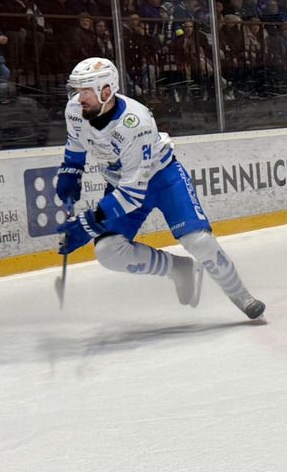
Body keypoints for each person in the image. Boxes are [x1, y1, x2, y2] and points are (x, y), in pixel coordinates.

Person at [54, 57, 266, 320]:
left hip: (163, 180)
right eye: (77, 90)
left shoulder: (135, 122)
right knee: (108, 252)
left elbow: (133, 194)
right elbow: (76, 142)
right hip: (121, 184)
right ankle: (177, 269)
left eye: (85, 90)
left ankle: (242, 296)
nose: (79, 97)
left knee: (199, 241)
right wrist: (71, 170)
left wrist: (88, 223)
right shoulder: (75, 109)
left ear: (106, 91)